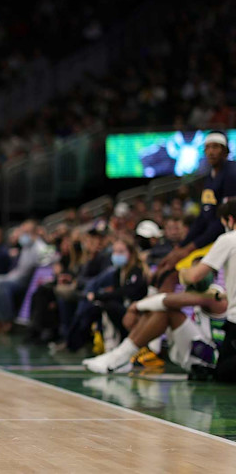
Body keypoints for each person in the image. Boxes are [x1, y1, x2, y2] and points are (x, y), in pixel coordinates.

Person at [83, 271, 227, 375]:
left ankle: (120, 357)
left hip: (212, 358)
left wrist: (136, 306)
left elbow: (167, 301)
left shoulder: (215, 295)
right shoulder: (198, 293)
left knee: (166, 311)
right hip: (198, 353)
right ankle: (121, 357)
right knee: (157, 310)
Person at [155, 131, 236, 291]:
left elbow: (224, 220)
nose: (211, 151)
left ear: (225, 151)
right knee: (166, 266)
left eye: (216, 147)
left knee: (174, 272)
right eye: (207, 147)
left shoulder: (231, 174)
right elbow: (203, 218)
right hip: (212, 238)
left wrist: (189, 248)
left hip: (226, 238)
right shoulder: (211, 176)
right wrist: (180, 247)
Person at [179, 201, 236, 382]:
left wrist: (183, 273)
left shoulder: (228, 240)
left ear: (230, 219)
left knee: (224, 374)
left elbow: (195, 276)